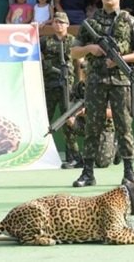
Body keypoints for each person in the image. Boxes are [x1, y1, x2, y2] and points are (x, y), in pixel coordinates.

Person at [70, 0, 134, 187]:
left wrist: (123, 59)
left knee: (124, 126)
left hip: (121, 81)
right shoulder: (90, 23)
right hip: (95, 80)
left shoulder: (131, 22)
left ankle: (129, 172)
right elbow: (74, 51)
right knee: (93, 125)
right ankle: (87, 172)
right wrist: (91, 48)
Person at [40, 12, 81, 169]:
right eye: (56, 22)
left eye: (62, 22)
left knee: (68, 121)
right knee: (46, 120)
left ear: (67, 24)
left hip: (67, 87)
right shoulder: (45, 41)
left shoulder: (74, 41)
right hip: (49, 86)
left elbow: (79, 63)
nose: (58, 25)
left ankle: (74, 156)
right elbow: (31, 48)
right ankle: (42, 154)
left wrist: (80, 83)